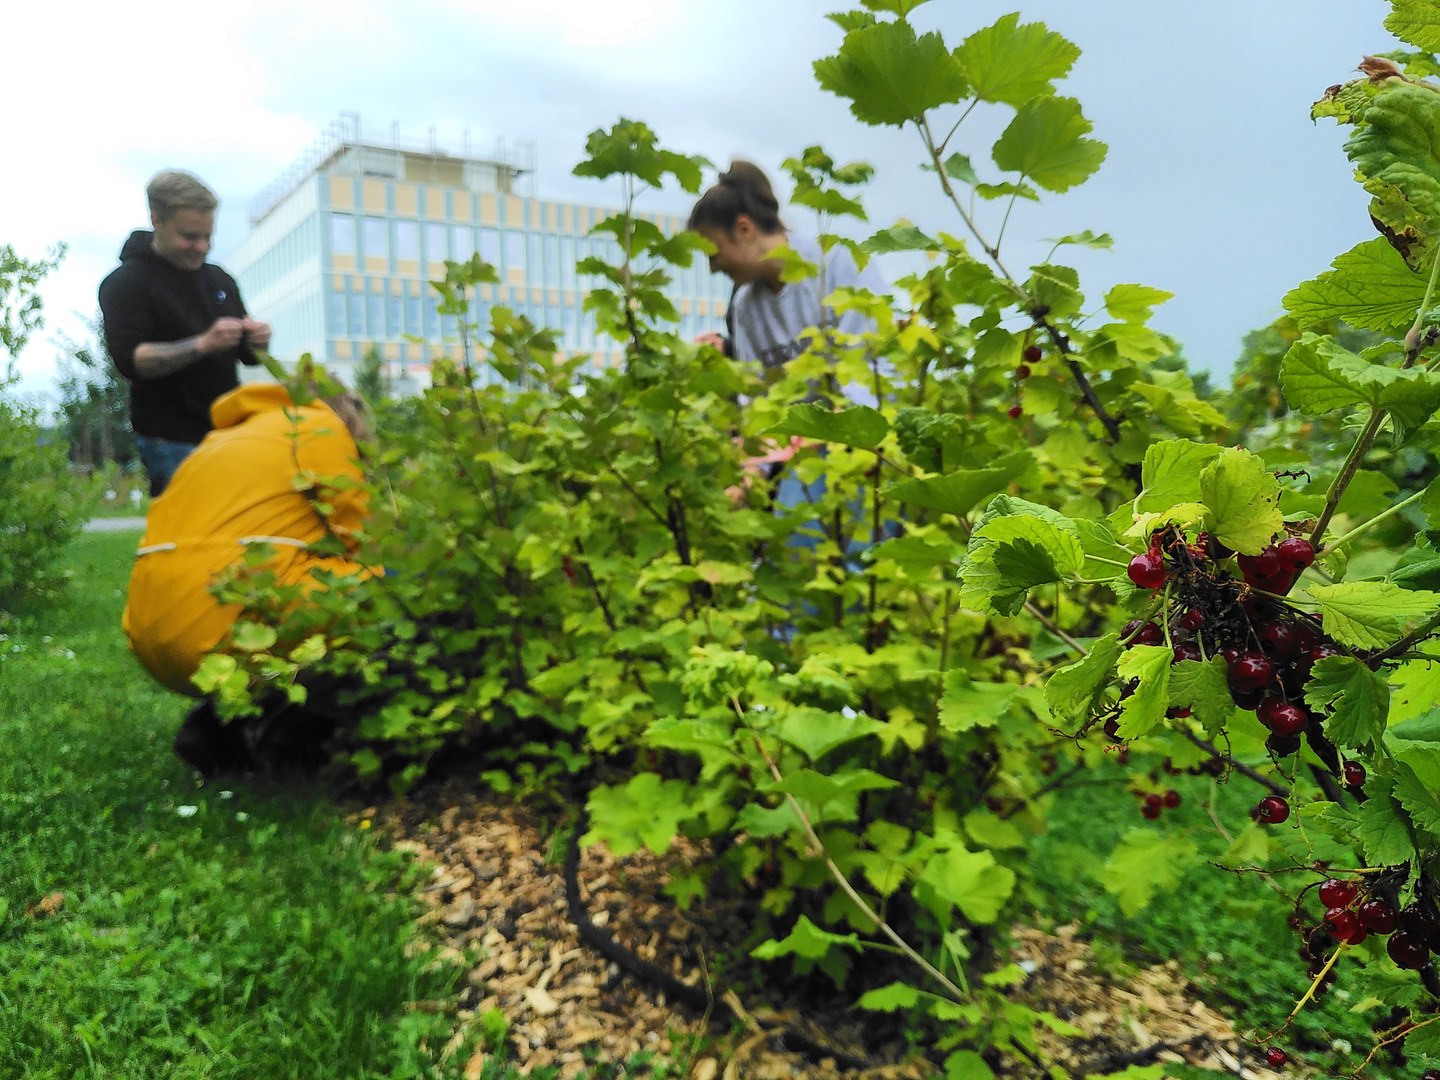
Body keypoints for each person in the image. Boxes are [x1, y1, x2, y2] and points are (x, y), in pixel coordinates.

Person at [122, 380, 374, 776]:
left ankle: (218, 727)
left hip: (152, 634)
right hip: (225, 626)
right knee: (388, 584)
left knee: (284, 584)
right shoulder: (317, 427)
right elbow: (364, 536)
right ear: (347, 414)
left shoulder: (222, 439)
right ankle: (290, 733)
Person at [99, 170, 273, 496]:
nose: (201, 247)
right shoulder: (125, 283)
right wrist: (204, 343)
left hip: (229, 430)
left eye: (208, 237)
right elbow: (132, 360)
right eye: (190, 237)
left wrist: (258, 340)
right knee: (188, 538)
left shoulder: (219, 280)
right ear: (157, 220)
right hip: (169, 438)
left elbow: (249, 358)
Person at [687, 160, 887, 406]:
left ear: (744, 229)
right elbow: (755, 400)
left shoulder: (837, 265)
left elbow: (874, 376)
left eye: (714, 253)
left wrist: (812, 436)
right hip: (791, 440)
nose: (713, 268)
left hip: (858, 434)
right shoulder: (744, 306)